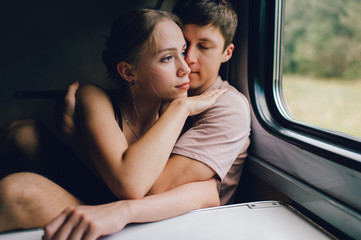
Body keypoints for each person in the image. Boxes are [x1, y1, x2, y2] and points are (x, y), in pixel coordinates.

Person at [0, 8, 224, 235]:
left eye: (182, 52)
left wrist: (74, 138)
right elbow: (131, 184)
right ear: (128, 72)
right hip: (86, 197)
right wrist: (181, 107)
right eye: (167, 58)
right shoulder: (94, 96)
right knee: (19, 140)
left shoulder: (188, 110)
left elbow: (208, 193)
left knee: (17, 185)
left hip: (129, 213)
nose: (186, 68)